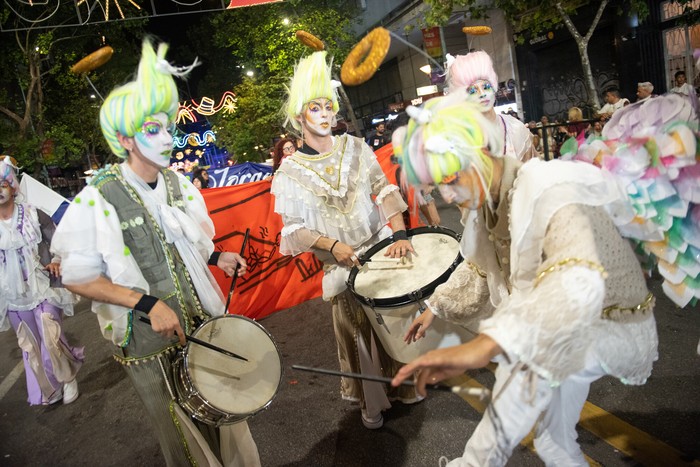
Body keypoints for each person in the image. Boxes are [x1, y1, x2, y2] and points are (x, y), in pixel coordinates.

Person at [391, 94, 659, 466]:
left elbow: (578, 282)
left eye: (451, 177)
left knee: (521, 370)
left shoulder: (547, 187)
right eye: (437, 186)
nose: (448, 195)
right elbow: (482, 266)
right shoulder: (490, 199)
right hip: (557, 326)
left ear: (482, 151)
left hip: (604, 323)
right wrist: (433, 307)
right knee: (553, 441)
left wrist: (482, 347)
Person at [50, 40, 260, 467]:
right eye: (152, 129)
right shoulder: (100, 196)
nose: (167, 138)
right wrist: (145, 303)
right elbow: (77, 276)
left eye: (168, 127)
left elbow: (182, 246)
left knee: (225, 414)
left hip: (200, 324)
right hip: (149, 340)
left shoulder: (179, 185)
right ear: (125, 139)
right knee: (182, 434)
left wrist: (216, 258)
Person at [270, 51, 419, 429]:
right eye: (314, 107)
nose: (324, 114)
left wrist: (399, 231)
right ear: (300, 116)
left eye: (328, 106)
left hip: (380, 250)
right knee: (358, 332)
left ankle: (405, 388)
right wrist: (334, 246)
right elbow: (294, 230)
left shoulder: (355, 146)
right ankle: (373, 401)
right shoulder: (289, 171)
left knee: (396, 321)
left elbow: (384, 189)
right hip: (342, 267)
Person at [0, 156, 83, 406]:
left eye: (1, 185)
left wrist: (56, 259)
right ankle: (49, 389)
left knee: (50, 333)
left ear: (12, 187)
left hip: (44, 285)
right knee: (31, 344)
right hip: (13, 295)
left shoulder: (34, 214)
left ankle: (68, 379)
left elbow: (57, 240)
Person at [445, 52, 536, 162]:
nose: (482, 94)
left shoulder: (515, 128)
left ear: (493, 88)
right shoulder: (462, 138)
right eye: (473, 91)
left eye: (486, 86)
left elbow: (534, 171)